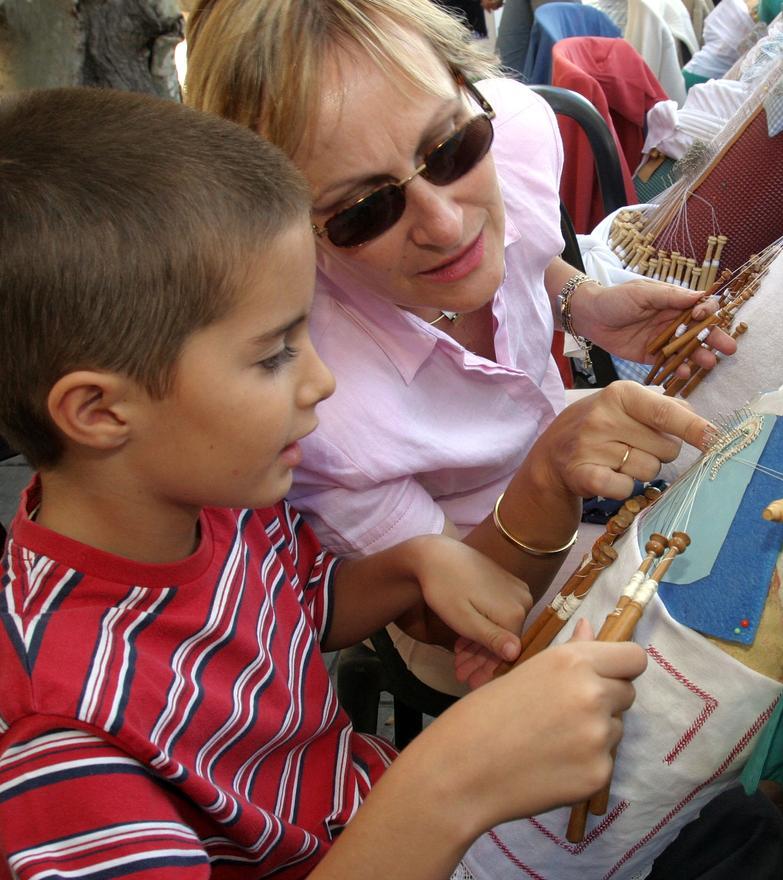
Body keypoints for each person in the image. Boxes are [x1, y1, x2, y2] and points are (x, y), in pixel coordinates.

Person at [0, 86, 650, 879]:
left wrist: (410, 568)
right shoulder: (60, 736)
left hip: (369, 802)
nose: (320, 382)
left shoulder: (216, 504)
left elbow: (304, 603)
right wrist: (450, 783)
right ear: (99, 411)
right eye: (275, 354)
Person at [182, 0, 737, 617]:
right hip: (484, 563)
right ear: (286, 232)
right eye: (363, 211)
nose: (446, 226)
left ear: (466, 90)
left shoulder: (513, 138)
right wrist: (549, 478)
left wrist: (584, 304)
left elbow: (516, 256)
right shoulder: (321, 409)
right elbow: (443, 621)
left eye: (449, 149)